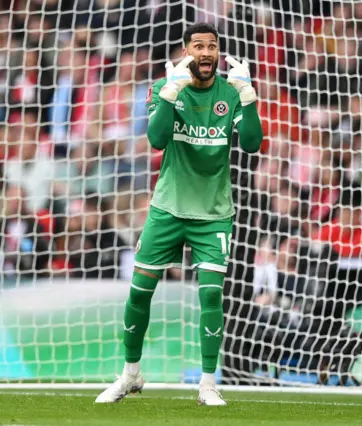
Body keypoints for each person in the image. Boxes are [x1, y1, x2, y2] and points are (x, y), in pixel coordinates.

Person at [95, 23, 263, 406]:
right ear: (186, 51)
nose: (206, 53)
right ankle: (130, 375)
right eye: (198, 46)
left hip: (213, 213)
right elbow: (156, 139)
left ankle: (207, 384)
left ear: (219, 54)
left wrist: (248, 96)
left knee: (211, 298)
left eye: (212, 47)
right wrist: (170, 93)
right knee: (140, 292)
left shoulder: (231, 92)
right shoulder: (164, 86)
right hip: (167, 208)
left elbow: (252, 144)